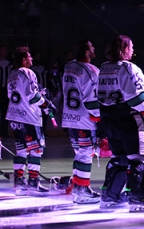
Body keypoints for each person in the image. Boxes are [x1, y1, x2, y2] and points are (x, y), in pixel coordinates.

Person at [98, 35, 144, 212]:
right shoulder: (128, 68)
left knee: (120, 157)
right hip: (130, 119)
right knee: (142, 155)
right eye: (131, 47)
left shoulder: (104, 68)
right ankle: (140, 195)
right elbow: (137, 97)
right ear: (124, 49)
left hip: (109, 119)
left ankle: (111, 195)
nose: (133, 50)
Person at [5, 47, 54, 196]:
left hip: (15, 117)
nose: (32, 59)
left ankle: (19, 183)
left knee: (21, 150)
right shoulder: (28, 73)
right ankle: (33, 182)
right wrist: (45, 103)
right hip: (29, 118)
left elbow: (10, 95)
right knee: (36, 150)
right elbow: (31, 96)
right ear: (24, 60)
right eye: (29, 57)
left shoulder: (12, 74)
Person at [61, 40, 102, 203]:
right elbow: (91, 98)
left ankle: (78, 188)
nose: (94, 49)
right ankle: (82, 190)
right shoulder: (91, 70)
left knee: (79, 153)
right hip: (85, 119)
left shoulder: (69, 66)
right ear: (86, 52)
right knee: (86, 154)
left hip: (70, 117)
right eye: (92, 47)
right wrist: (99, 119)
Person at [0, 45, 10, 136]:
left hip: (6, 90)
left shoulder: (9, 64)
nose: (4, 52)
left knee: (5, 112)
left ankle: (4, 132)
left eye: (5, 50)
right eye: (2, 50)